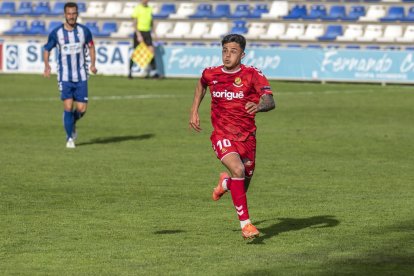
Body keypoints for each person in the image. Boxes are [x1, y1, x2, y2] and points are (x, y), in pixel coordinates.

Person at [189, 34, 276, 240]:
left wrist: (259, 106)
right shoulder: (211, 74)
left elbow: (270, 101)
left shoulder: (253, 74)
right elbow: (202, 84)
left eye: (233, 51)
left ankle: (225, 184)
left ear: (242, 54)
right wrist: (194, 111)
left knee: (242, 184)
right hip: (221, 134)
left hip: (246, 137)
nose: (227, 55)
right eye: (225, 51)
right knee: (238, 169)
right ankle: (246, 225)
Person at [43, 2, 97, 149]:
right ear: (65, 15)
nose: (72, 16)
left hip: (81, 76)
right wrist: (47, 65)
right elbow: (47, 49)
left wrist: (92, 64)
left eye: (74, 13)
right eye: (69, 14)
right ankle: (69, 139)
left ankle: (71, 122)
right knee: (68, 106)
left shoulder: (84, 31)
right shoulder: (57, 33)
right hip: (65, 76)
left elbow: (91, 46)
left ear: (77, 14)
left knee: (82, 109)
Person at [129, 0, 158, 79]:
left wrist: (154, 32)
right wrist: (138, 34)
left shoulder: (149, 8)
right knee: (135, 52)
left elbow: (151, 21)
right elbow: (134, 23)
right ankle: (130, 72)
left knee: (151, 51)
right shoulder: (138, 8)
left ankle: (154, 72)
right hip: (140, 32)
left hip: (147, 32)